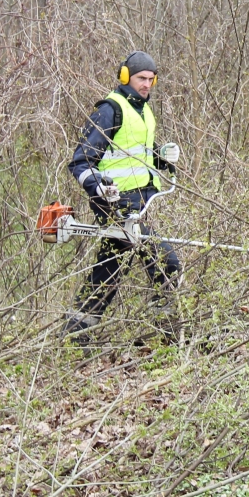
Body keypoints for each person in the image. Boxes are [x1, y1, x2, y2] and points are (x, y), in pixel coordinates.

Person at [62, 51, 183, 343]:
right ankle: (166, 335)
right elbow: (81, 161)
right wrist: (97, 187)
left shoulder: (143, 110)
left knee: (107, 274)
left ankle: (73, 339)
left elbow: (137, 154)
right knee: (167, 261)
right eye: (142, 78)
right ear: (126, 77)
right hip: (117, 207)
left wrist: (161, 158)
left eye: (151, 80)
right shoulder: (109, 110)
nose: (147, 85)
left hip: (140, 205)